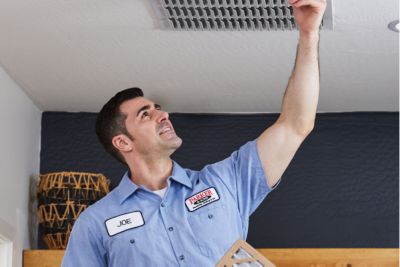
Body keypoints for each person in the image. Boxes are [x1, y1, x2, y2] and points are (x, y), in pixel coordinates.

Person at [62, 0, 326, 265]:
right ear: (122, 141)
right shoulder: (94, 223)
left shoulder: (226, 182)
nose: (162, 114)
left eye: (158, 108)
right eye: (145, 114)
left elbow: (295, 124)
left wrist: (308, 34)